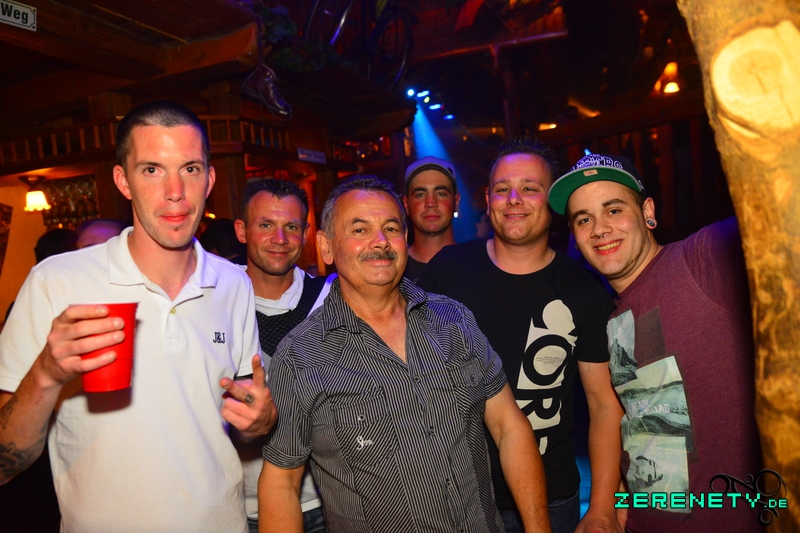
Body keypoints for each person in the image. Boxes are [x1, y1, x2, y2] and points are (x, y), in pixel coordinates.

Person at [0, 100, 277, 533]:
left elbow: (240, 417)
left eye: (189, 169)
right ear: (123, 180)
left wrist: (258, 421)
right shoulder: (56, 280)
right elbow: (5, 459)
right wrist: (46, 374)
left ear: (209, 179)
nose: (175, 191)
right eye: (151, 169)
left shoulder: (233, 282)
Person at [259, 176, 551, 533]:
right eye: (360, 230)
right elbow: (281, 484)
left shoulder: (453, 321)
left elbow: (510, 427)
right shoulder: (301, 356)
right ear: (326, 246)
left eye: (391, 228)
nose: (380, 242)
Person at [548, 153, 763, 533]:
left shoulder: (702, 260)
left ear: (648, 212)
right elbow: (636, 425)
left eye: (613, 210)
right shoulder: (608, 318)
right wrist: (615, 501)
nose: (599, 229)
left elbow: (776, 212)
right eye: (584, 219)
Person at [419, 138, 624, 533]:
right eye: (502, 189)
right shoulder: (447, 269)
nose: (514, 199)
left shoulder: (583, 289)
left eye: (530, 188)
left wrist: (602, 507)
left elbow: (604, 406)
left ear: (553, 202)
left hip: (551, 497)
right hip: (457, 496)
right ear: (488, 200)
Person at [234, 179, 334, 533]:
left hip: (325, 502)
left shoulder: (333, 298)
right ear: (242, 231)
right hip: (236, 507)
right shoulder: (215, 301)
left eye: (291, 227)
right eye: (265, 225)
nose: (280, 238)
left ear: (306, 234)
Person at [401, 156, 460, 282]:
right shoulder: (392, 268)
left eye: (441, 194)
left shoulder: (478, 266)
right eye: (420, 195)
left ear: (456, 202)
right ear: (406, 205)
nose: (431, 203)